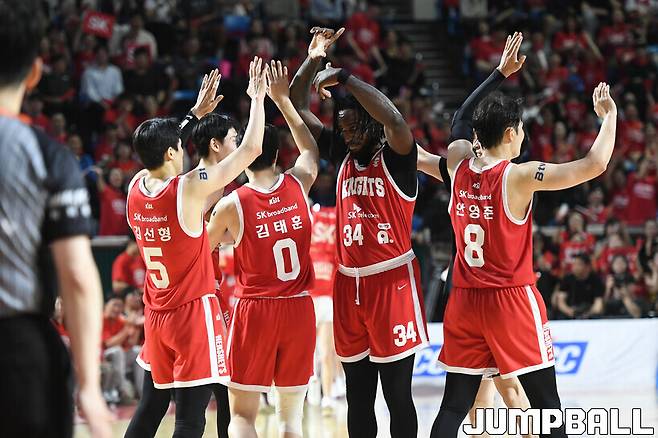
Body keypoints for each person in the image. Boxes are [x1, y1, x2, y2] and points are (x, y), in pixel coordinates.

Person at [430, 32, 617, 438]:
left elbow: (460, 118)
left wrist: (499, 73)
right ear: (510, 134)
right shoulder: (519, 177)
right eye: (520, 129)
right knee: (547, 407)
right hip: (510, 300)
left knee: (453, 407)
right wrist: (610, 117)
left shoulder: (457, 164)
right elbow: (595, 164)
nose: (523, 135)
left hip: (464, 299)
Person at [292, 27, 426, 437]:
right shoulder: (343, 154)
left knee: (397, 396)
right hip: (347, 284)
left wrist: (345, 77)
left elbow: (395, 118)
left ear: (372, 126)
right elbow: (297, 104)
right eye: (344, 130)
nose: (348, 137)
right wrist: (313, 58)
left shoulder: (398, 156)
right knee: (358, 395)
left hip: (391, 282)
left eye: (354, 129)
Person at [124, 60, 267, 437]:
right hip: (191, 314)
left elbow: (160, 150)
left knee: (150, 408)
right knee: (190, 420)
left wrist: (192, 116)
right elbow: (251, 149)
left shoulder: (135, 187)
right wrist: (257, 98)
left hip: (156, 313)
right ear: (173, 152)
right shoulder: (187, 189)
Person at [0, 1, 111, 437]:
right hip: (18, 357)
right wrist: (90, 388)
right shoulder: (47, 155)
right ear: (34, 73)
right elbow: (78, 277)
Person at [207, 60, 319, 438]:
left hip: (256, 310)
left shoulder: (232, 204)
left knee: (242, 417)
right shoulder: (300, 182)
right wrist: (283, 100)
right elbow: (309, 148)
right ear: (276, 156)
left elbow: (198, 248)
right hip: (299, 308)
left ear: (246, 155)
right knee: (291, 421)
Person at [306, 202, 342, 409]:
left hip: (326, 301)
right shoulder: (305, 251)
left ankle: (328, 395)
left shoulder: (332, 254)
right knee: (310, 354)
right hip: (308, 301)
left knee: (327, 352)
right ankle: (312, 391)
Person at [554, 253, 604, 319]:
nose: (575, 267)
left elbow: (598, 303)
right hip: (570, 312)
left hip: (589, 312)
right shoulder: (567, 279)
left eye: (578, 264)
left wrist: (589, 314)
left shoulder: (596, 280)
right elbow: (561, 301)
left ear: (587, 267)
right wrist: (568, 311)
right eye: (574, 264)